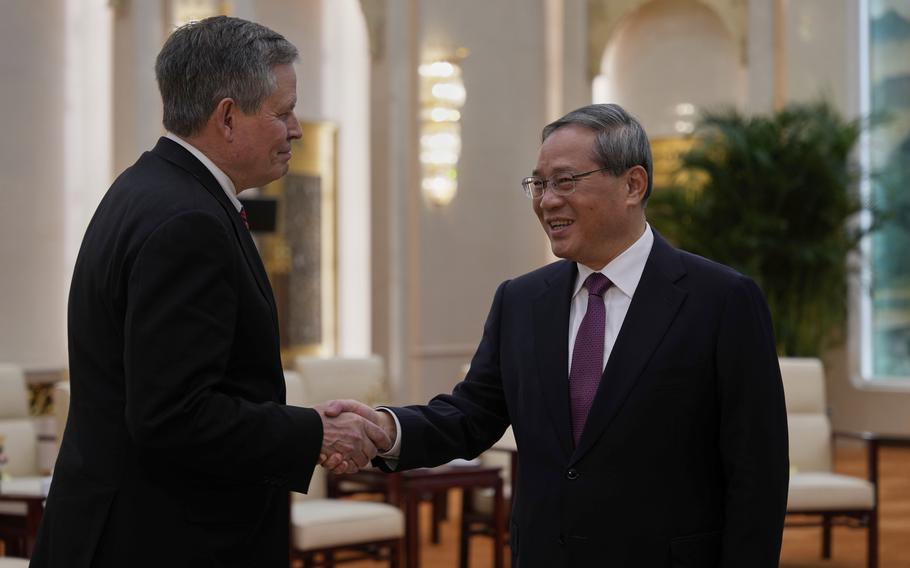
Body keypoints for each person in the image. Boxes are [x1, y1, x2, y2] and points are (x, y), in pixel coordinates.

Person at [330, 103, 790, 567]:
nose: (547, 200)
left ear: (633, 185)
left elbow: (757, 473)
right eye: (539, 183)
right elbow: (472, 415)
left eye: (566, 181)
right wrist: (387, 429)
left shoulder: (721, 300)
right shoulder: (521, 301)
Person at [31, 16, 388, 568]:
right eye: (284, 111)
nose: (295, 129)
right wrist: (311, 431)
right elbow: (173, 416)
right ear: (227, 116)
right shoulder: (187, 221)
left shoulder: (143, 188)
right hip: (165, 540)